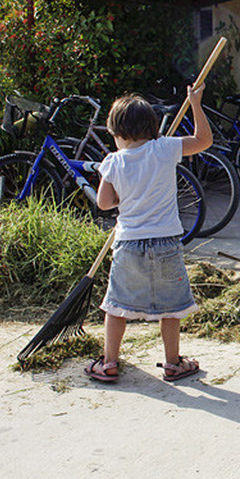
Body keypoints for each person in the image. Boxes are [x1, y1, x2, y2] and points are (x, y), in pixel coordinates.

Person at [86, 85, 213, 383]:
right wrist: (195, 103)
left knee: (116, 306)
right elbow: (203, 141)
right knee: (171, 307)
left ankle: (109, 362)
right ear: (152, 128)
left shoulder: (113, 162)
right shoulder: (164, 148)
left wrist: (123, 199)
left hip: (128, 244)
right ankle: (173, 363)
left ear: (117, 131)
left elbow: (104, 203)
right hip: (167, 242)